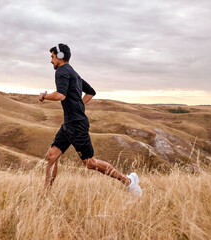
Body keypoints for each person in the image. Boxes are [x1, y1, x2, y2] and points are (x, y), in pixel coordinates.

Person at [39, 43, 142, 197]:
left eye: (52, 57)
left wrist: (44, 96)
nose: (51, 61)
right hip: (69, 124)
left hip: (76, 124)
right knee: (52, 156)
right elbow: (91, 92)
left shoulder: (61, 71)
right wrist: (79, 105)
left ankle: (128, 182)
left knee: (90, 163)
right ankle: (45, 194)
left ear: (60, 57)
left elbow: (60, 95)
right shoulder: (74, 73)